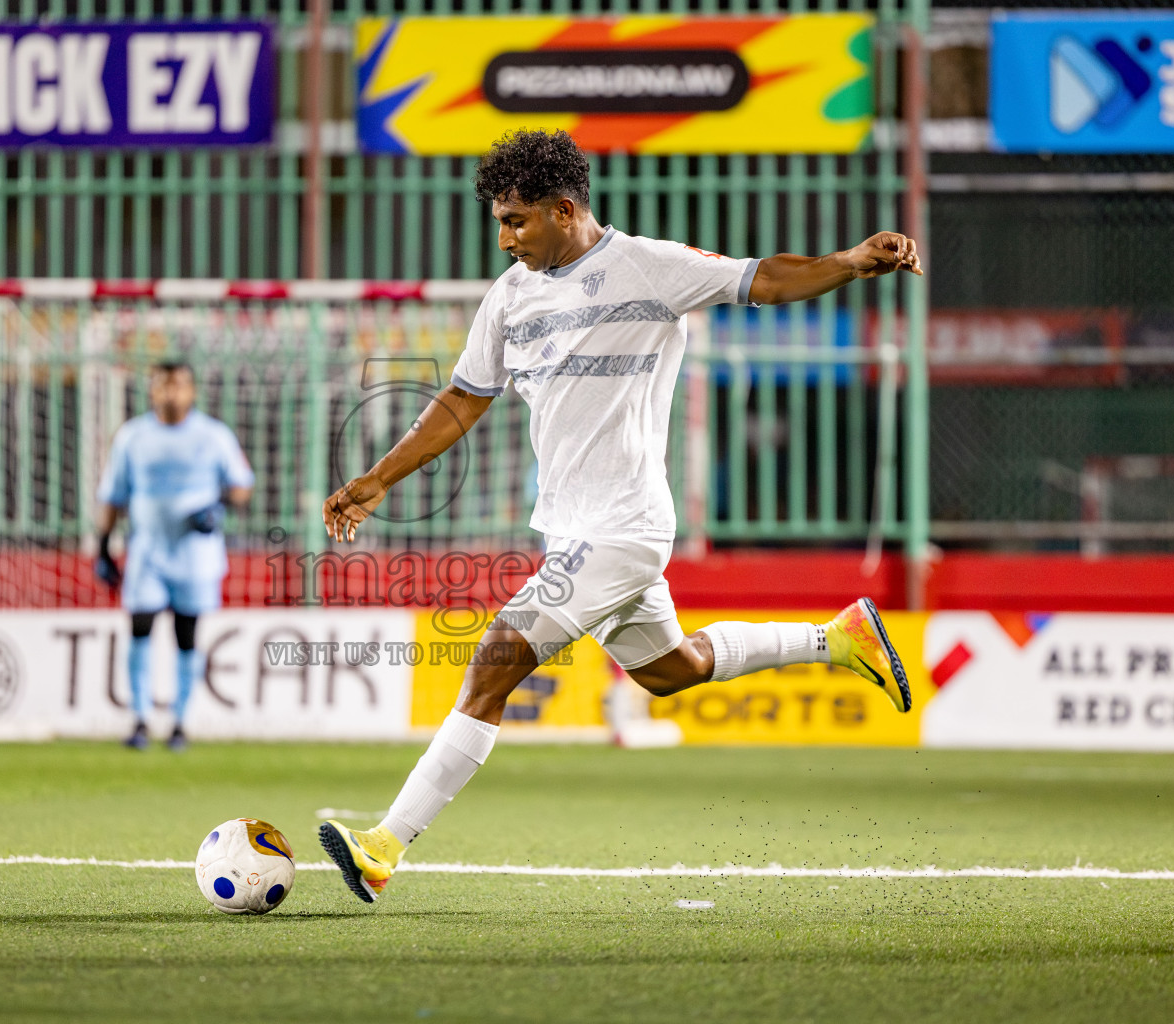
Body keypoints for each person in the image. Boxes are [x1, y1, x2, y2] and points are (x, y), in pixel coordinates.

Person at [317, 129, 923, 903]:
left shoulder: (647, 268)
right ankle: (837, 638)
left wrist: (845, 262)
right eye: (499, 221)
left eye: (517, 221)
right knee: (672, 671)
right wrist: (378, 477)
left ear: (565, 210)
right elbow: (464, 398)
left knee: (494, 663)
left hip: (625, 527)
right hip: (570, 530)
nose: (505, 238)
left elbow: (762, 279)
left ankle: (383, 843)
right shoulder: (510, 295)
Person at [95, 362, 254, 752]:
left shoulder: (213, 435)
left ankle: (181, 721)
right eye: (164, 385)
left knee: (187, 635)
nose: (172, 393)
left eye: (180, 385)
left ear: (192, 391)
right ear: (152, 391)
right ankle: (139, 718)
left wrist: (217, 505)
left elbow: (241, 486)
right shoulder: (133, 436)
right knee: (140, 629)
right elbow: (113, 495)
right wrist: (101, 544)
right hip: (147, 551)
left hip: (195, 555)